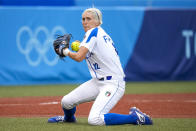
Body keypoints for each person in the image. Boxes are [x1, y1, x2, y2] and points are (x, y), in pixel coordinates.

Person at [48, 8, 153, 126]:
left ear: (98, 22)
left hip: (113, 83)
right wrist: (79, 46)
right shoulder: (97, 33)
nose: (85, 22)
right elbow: (88, 51)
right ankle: (69, 119)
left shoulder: (93, 33)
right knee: (66, 102)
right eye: (83, 19)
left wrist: (65, 51)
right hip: (97, 82)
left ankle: (135, 118)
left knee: (95, 119)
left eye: (89, 19)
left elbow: (78, 57)